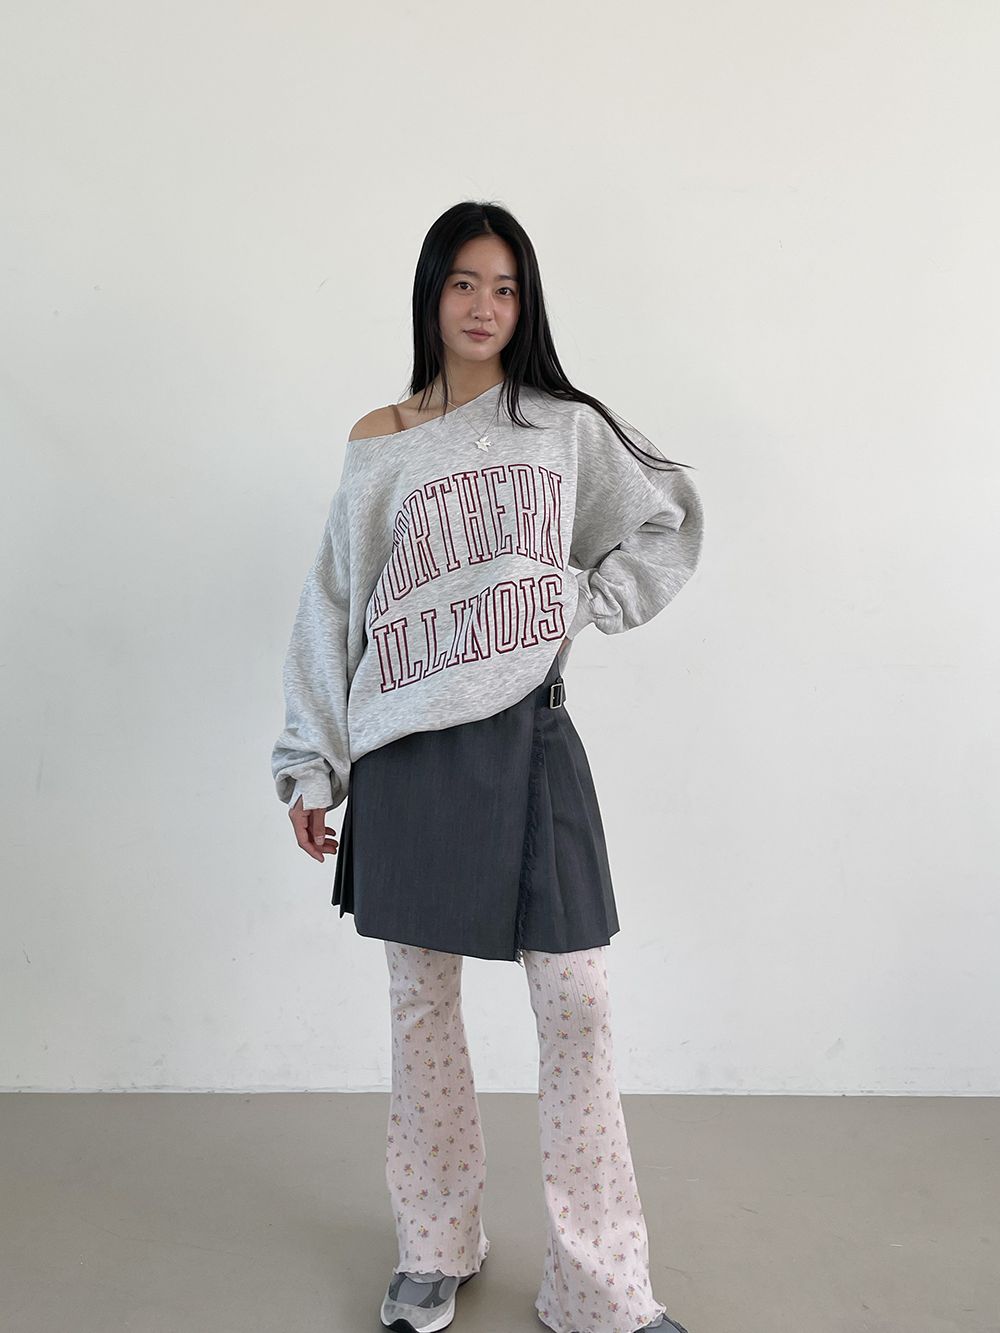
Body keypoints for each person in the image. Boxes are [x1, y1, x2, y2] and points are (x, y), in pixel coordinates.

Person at [270, 201, 704, 1333]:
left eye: (505, 288)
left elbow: (666, 518)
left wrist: (582, 599)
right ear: (432, 291)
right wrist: (311, 762)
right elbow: (334, 600)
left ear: (526, 303)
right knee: (422, 1006)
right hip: (406, 753)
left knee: (578, 1000)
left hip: (531, 737)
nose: (483, 306)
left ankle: (598, 1286)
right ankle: (433, 1244)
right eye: (464, 282)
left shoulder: (562, 428)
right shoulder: (380, 438)